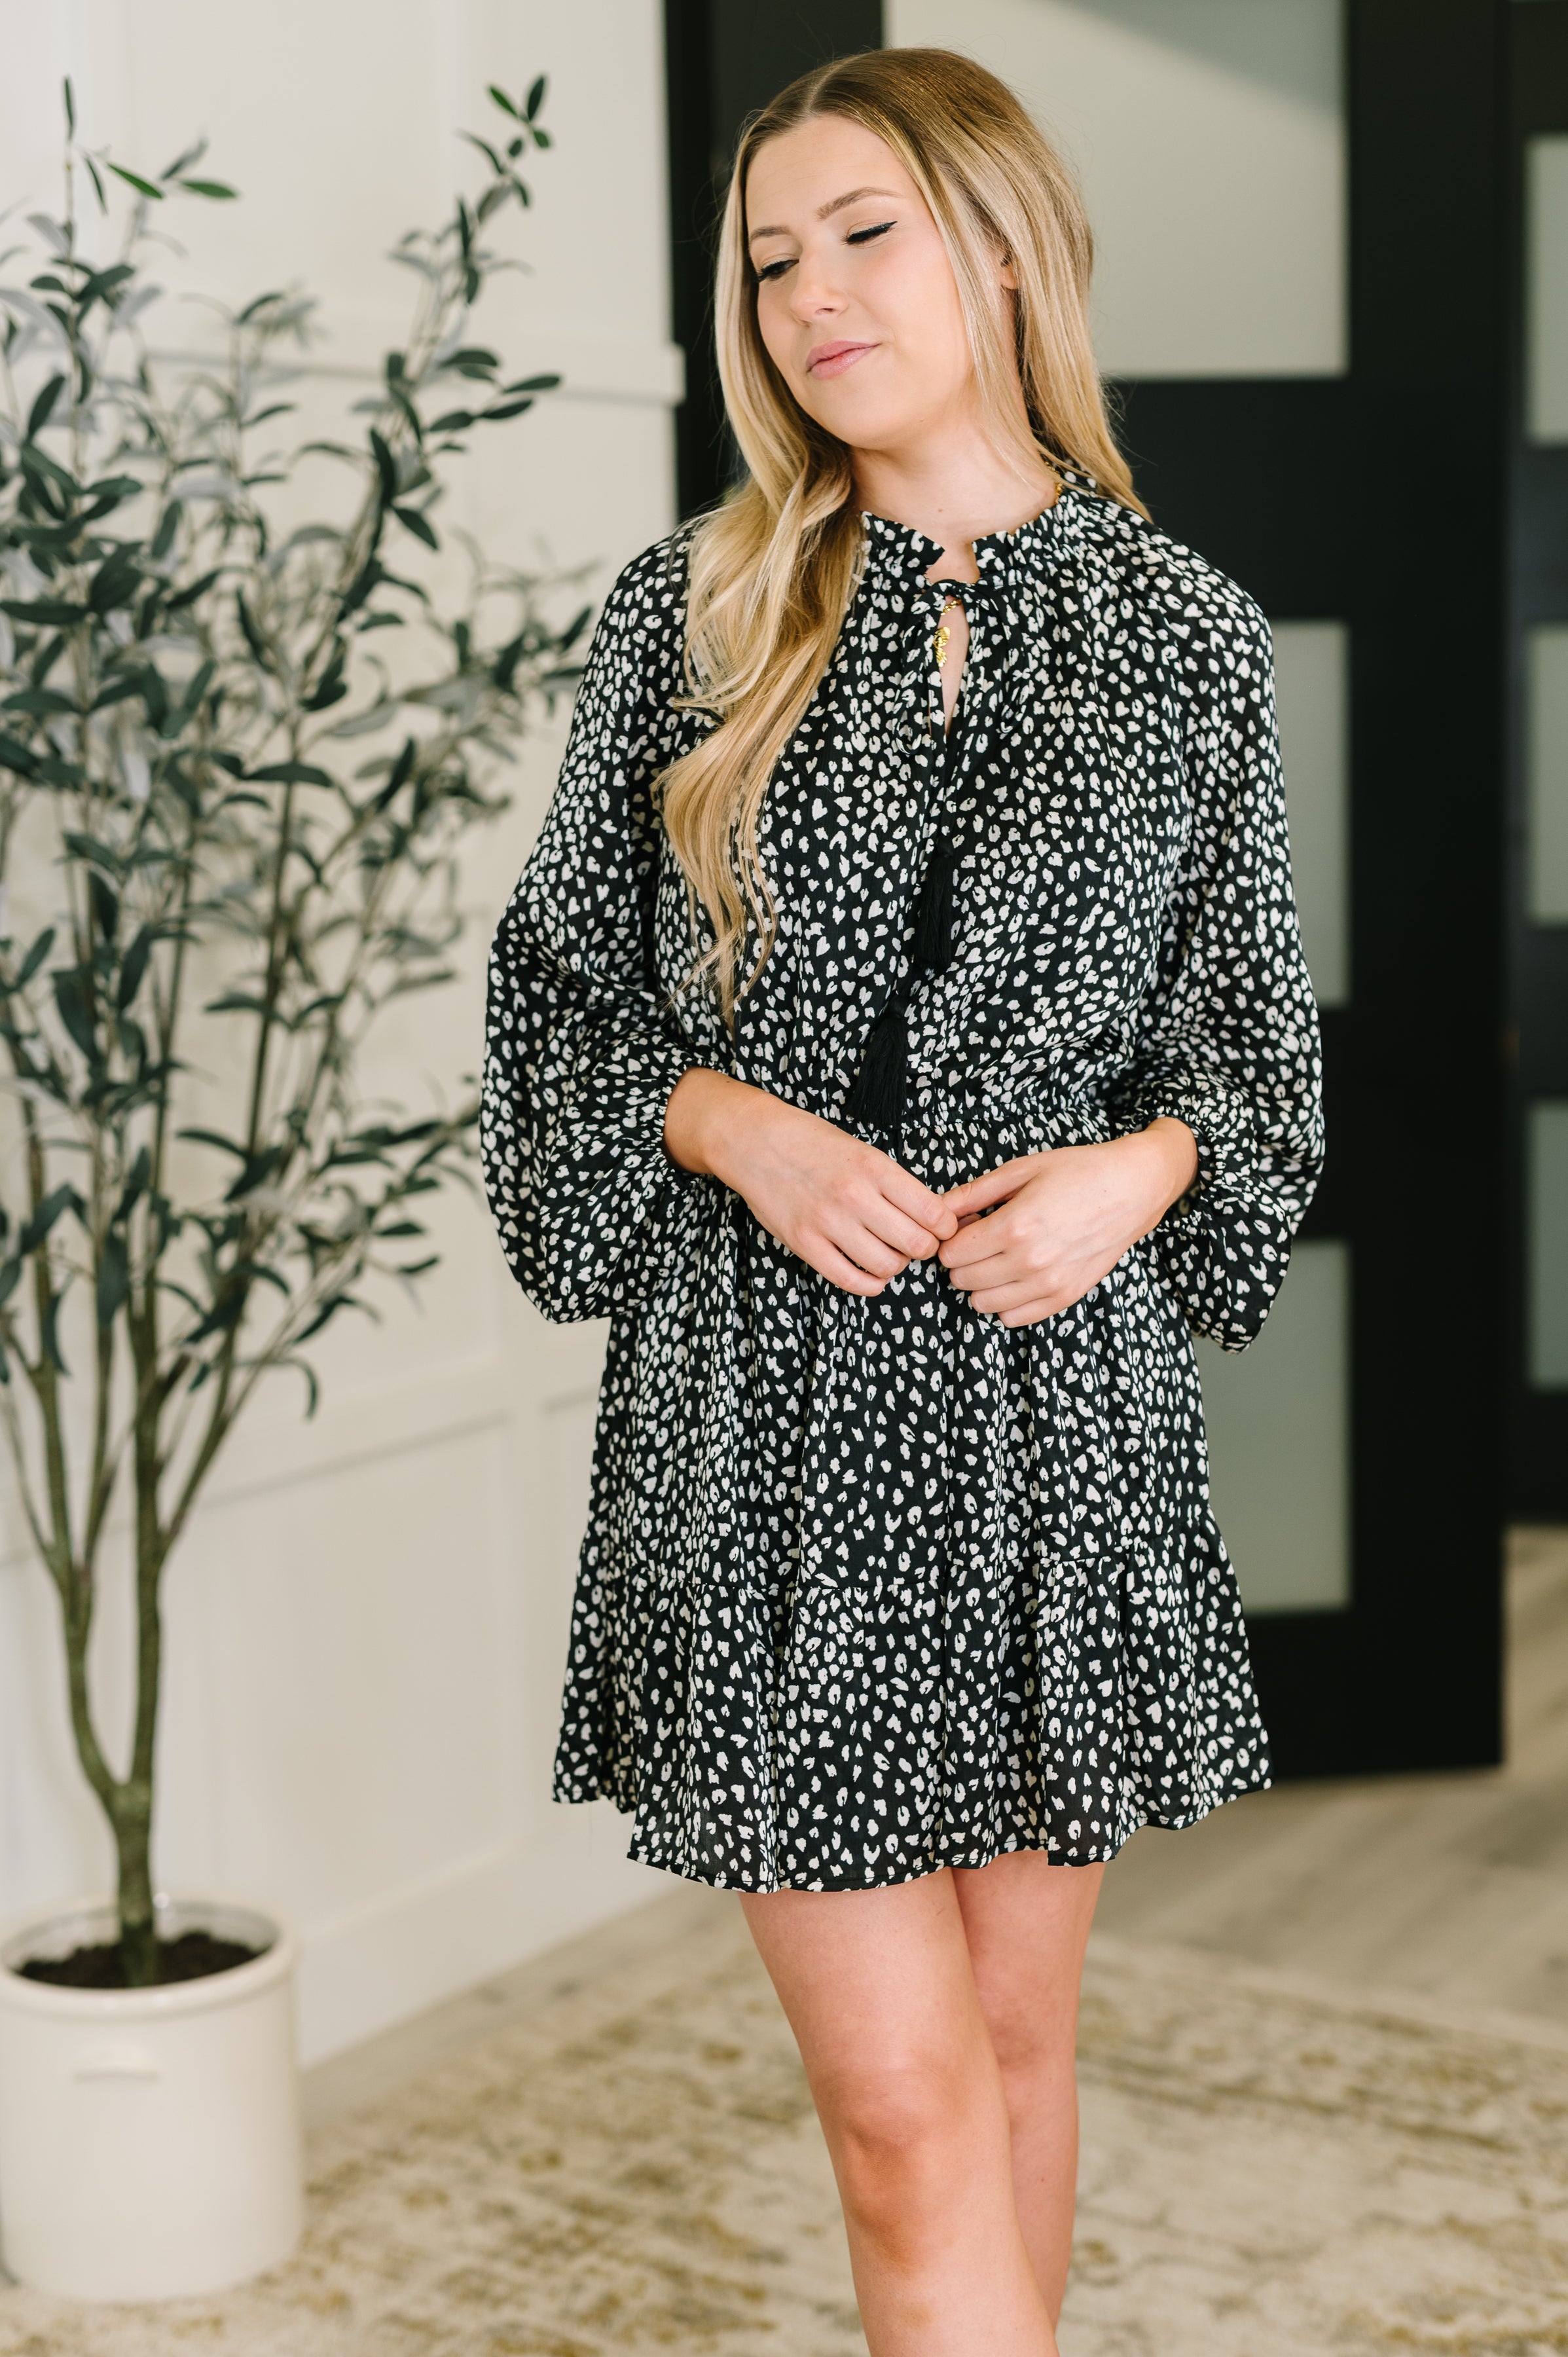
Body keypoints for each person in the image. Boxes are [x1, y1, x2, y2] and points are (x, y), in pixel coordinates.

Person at [481, 43, 1324, 2357]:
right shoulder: (697, 607)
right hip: (759, 1442)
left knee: (1017, 2051)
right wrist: (728, 1124)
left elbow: (1248, 1056)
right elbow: (550, 1004)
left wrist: (1138, 1178)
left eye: (861, 231)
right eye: (770, 258)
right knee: (894, 2106)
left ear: (999, 244)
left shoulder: (1186, 636)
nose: (811, 293)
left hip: (1060, 1434)